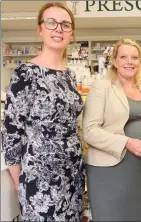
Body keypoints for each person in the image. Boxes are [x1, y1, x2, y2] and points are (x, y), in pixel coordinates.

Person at [1, 2, 85, 221]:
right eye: (51, 22)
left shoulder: (70, 76)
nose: (58, 28)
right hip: (40, 179)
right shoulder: (26, 73)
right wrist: (22, 181)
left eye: (65, 24)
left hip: (72, 176)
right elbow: (11, 131)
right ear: (40, 29)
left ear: (72, 33)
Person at [82, 39, 141, 221]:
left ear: (140, 62)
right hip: (110, 169)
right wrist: (127, 142)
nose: (129, 62)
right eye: (123, 57)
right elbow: (89, 131)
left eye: (134, 57)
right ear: (115, 61)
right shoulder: (102, 87)